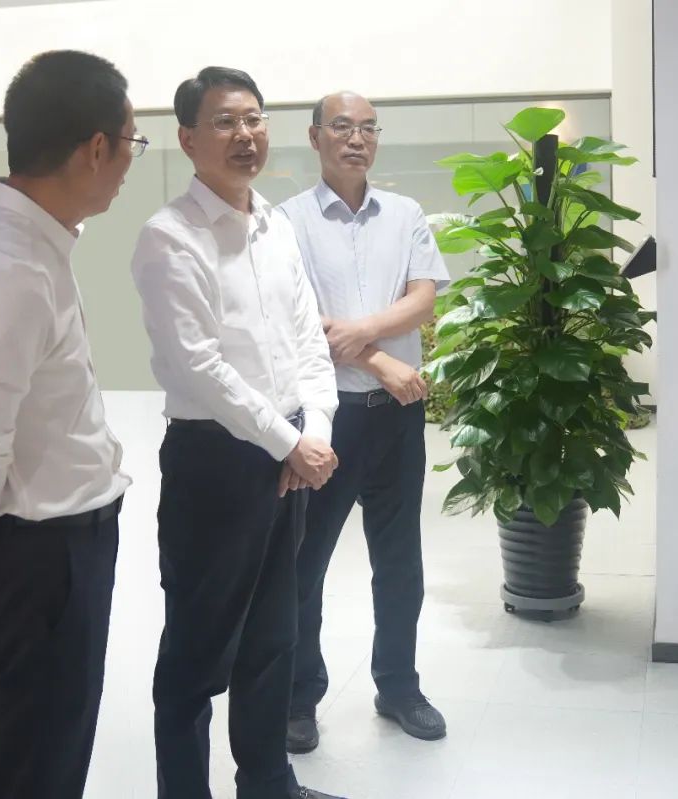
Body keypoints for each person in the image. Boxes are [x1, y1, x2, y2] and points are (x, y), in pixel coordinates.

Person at [0, 50, 144, 799]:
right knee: (37, 759)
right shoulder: (10, 263)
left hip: (53, 545)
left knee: (47, 747)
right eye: (132, 143)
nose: (130, 163)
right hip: (40, 555)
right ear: (96, 148)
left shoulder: (26, 242)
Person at [131, 66, 345, 799]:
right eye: (224, 122)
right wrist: (288, 442)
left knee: (274, 634)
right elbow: (199, 366)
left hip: (289, 453)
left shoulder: (275, 225)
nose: (244, 134)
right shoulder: (169, 237)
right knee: (195, 652)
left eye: (253, 118)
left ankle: (267, 782)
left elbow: (308, 340)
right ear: (188, 139)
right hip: (215, 461)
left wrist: (313, 430)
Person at [279, 91, 450, 754]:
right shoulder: (287, 221)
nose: (357, 139)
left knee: (400, 562)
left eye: (369, 128)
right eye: (343, 127)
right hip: (328, 418)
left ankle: (399, 686)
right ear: (315, 136)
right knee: (305, 565)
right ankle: (299, 697)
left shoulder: (404, 214)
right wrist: (380, 359)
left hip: (398, 419)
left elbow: (424, 297)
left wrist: (363, 333)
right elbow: (298, 320)